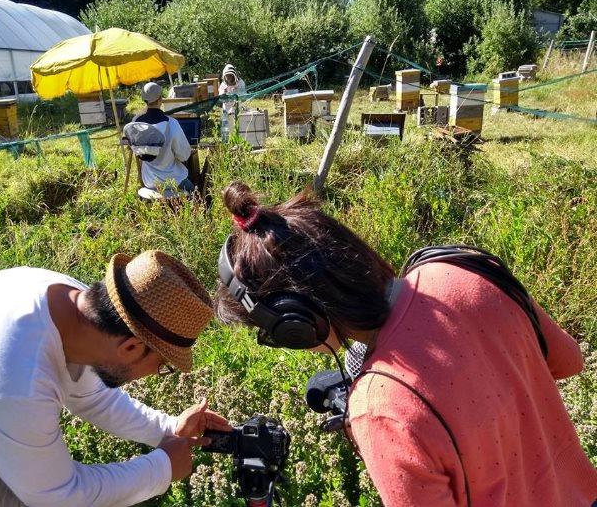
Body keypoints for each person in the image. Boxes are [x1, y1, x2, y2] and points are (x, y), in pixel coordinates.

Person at [213, 180, 597, 507]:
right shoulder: (459, 265)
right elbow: (569, 361)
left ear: (294, 323)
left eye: (269, 333)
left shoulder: (380, 410)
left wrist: (383, 427)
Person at [0, 250, 231, 506]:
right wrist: (162, 468)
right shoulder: (14, 381)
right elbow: (60, 497)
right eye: (163, 366)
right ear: (132, 347)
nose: (154, 375)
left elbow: (92, 396)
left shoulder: (62, 298)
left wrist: (169, 430)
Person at [131, 82, 195, 194]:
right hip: (173, 180)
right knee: (193, 190)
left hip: (149, 181)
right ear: (160, 99)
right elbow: (184, 155)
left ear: (144, 100)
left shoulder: (135, 123)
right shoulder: (172, 124)